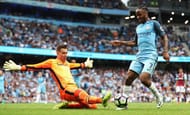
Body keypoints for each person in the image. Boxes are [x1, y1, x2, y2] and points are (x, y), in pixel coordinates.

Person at [3, 42, 111, 109]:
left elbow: (78, 65)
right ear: (57, 53)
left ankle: (67, 106)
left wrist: (85, 64)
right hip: (65, 90)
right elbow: (36, 66)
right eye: (63, 53)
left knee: (92, 107)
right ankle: (102, 100)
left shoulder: (67, 64)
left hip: (73, 89)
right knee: (81, 93)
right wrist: (19, 67)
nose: (65, 55)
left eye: (66, 53)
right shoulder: (51, 63)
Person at [110, 6, 170, 110]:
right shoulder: (138, 28)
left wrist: (165, 51)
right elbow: (135, 43)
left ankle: (159, 96)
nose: (138, 17)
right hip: (140, 55)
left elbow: (164, 37)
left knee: (143, 79)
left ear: (146, 13)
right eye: (137, 15)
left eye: (140, 14)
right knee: (128, 78)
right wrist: (120, 42)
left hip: (151, 55)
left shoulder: (154, 23)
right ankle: (124, 104)